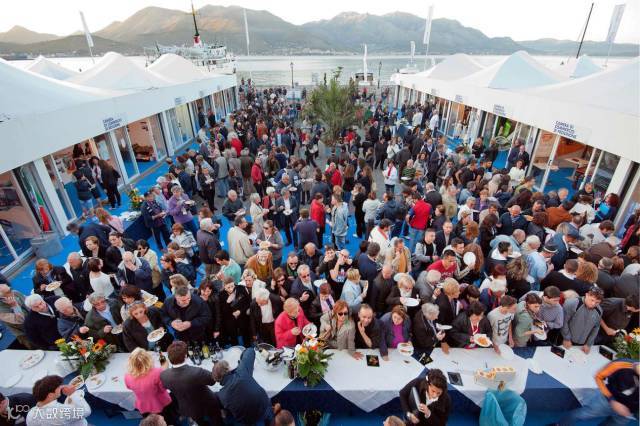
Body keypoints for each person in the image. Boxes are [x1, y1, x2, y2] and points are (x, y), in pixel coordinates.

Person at [558, 360, 639, 426]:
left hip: (627, 413)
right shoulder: (621, 364)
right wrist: (611, 399)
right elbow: (599, 377)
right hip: (607, 401)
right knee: (579, 415)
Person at [160, 341, 222, 426]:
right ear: (185, 356)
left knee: (200, 422)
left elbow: (165, 386)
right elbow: (213, 381)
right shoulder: (196, 372)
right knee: (216, 420)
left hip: (187, 407)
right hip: (207, 403)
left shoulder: (164, 375)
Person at [213, 348, 273, 425]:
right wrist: (241, 361)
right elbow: (250, 351)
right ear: (228, 369)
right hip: (264, 407)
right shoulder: (241, 371)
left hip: (248, 421)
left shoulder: (221, 395)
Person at [124, 348, 176, 424]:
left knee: (151, 423)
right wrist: (164, 370)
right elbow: (163, 388)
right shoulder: (157, 372)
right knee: (168, 421)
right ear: (148, 359)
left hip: (143, 406)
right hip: (160, 403)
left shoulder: (127, 376)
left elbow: (129, 387)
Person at [26, 375, 91, 426]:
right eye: (58, 387)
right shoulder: (60, 411)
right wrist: (73, 393)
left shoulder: (30, 415)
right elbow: (86, 411)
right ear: (50, 395)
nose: (61, 387)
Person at [562, 286, 604, 354]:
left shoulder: (599, 310)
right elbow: (564, 322)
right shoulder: (572, 303)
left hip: (582, 345)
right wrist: (566, 338)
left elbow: (596, 327)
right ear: (586, 295)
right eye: (592, 300)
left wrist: (588, 344)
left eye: (597, 302)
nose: (593, 304)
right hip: (565, 340)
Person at [218, 278, 252, 347]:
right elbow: (223, 311)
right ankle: (235, 348)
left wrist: (240, 311)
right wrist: (227, 302)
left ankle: (247, 346)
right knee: (233, 336)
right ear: (224, 287)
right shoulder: (221, 295)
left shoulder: (241, 289)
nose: (231, 289)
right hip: (230, 318)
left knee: (246, 333)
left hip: (242, 316)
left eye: (232, 286)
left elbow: (248, 303)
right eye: (228, 287)